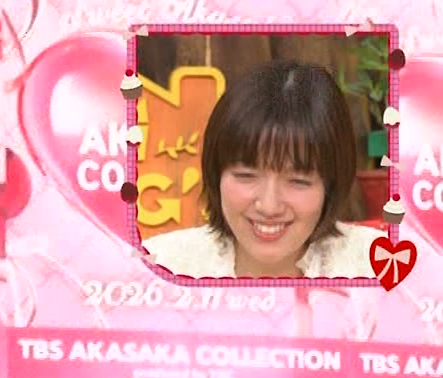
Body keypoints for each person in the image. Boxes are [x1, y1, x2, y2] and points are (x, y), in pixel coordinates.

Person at [141, 58, 386, 279]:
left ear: (331, 185)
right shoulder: (158, 266)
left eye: (298, 181)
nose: (269, 207)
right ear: (215, 174)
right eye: (245, 175)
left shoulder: (379, 266)